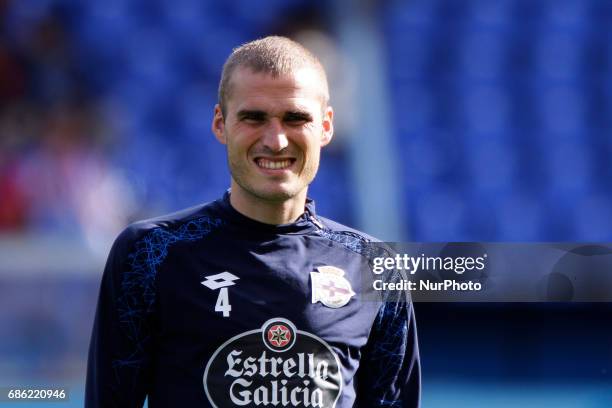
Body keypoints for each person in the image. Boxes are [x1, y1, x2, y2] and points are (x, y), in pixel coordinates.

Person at [86, 36, 420, 407]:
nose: (276, 141)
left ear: (325, 127)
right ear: (220, 124)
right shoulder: (150, 254)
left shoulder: (373, 266)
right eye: (254, 117)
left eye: (295, 118)